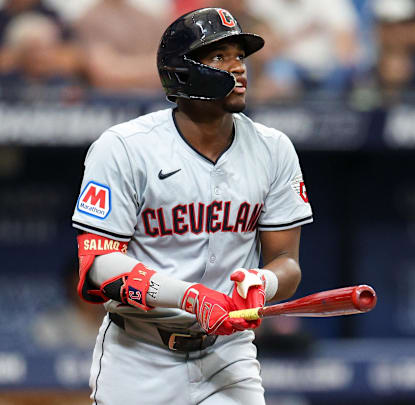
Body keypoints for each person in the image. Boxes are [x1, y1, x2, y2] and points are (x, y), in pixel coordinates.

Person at [70, 8, 313, 405]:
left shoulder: (274, 149)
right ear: (180, 72)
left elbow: (286, 261)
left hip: (228, 352)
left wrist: (261, 284)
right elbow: (99, 265)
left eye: (240, 55)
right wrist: (191, 296)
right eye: (219, 57)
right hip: (140, 353)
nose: (238, 68)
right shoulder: (125, 147)